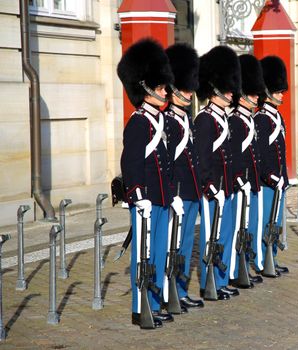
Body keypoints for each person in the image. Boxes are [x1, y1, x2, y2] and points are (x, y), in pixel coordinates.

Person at [117, 38, 175, 328]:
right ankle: (140, 309)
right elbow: (131, 163)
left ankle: (153, 302)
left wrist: (172, 194)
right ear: (145, 86)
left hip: (162, 199)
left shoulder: (159, 120)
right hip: (146, 201)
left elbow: (166, 162)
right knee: (144, 255)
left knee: (159, 253)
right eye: (161, 85)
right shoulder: (139, 122)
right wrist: (137, 195)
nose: (166, 90)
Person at [194, 45, 241, 300]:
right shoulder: (205, 120)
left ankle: (221, 281)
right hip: (213, 190)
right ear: (214, 90)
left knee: (226, 234)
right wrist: (211, 187)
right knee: (211, 237)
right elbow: (202, 159)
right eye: (226, 88)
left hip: (227, 188)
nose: (231, 93)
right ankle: (209, 282)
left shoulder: (224, 118)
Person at [164, 43, 204, 310]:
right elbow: (164, 163)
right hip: (176, 192)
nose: (190, 93)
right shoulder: (166, 121)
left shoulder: (187, 120)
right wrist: (171, 193)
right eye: (185, 87)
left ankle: (181, 288)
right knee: (172, 245)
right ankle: (169, 293)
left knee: (186, 244)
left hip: (191, 192)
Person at [228, 54, 266, 288]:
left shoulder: (249, 120)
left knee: (246, 228)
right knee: (236, 229)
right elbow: (235, 156)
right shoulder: (235, 121)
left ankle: (242, 266)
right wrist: (240, 179)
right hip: (239, 183)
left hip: (250, 183)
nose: (256, 98)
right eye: (251, 93)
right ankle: (234, 270)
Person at [254, 55, 290, 277]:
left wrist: (283, 177)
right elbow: (262, 154)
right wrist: (271, 176)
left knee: (275, 224)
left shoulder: (276, 117)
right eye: (276, 91)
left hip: (278, 180)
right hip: (267, 182)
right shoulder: (261, 119)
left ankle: (272, 257)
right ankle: (260, 261)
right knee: (265, 223)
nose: (280, 95)